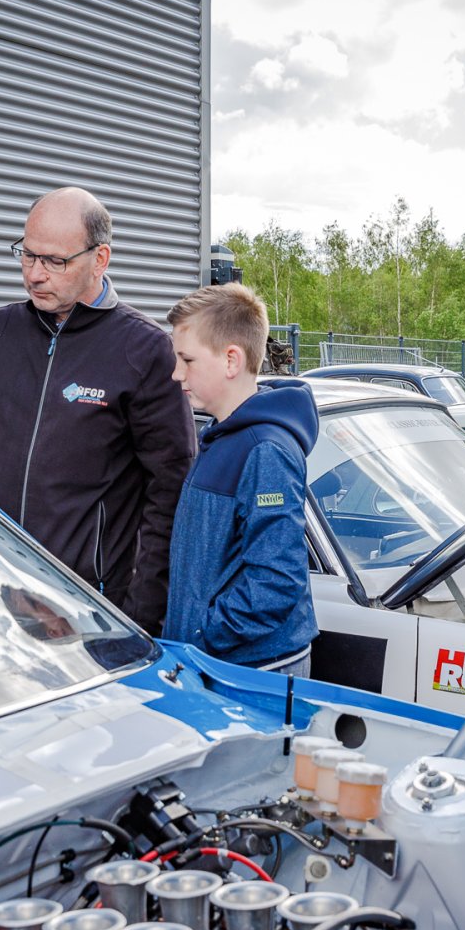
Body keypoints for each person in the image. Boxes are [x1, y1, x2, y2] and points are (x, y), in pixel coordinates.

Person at [0, 188, 195, 633]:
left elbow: (170, 488)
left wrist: (139, 613)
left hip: (88, 607)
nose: (35, 275)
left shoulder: (143, 350)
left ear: (100, 259)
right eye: (27, 255)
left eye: (54, 261)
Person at [162, 283, 319, 675]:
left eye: (187, 360)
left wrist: (202, 634)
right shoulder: (222, 438)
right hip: (216, 660)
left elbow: (276, 582)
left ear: (231, 360)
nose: (176, 374)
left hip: (253, 672)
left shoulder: (264, 450)